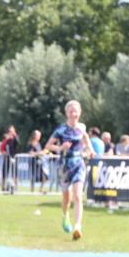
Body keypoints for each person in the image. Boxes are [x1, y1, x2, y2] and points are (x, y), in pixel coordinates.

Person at [45, 100, 92, 240]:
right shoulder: (60, 130)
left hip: (78, 164)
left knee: (78, 195)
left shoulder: (82, 128)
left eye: (75, 111)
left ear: (79, 113)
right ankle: (65, 216)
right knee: (67, 197)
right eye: (71, 111)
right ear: (67, 113)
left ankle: (78, 226)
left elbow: (86, 138)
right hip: (64, 165)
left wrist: (90, 150)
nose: (73, 114)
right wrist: (60, 148)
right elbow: (48, 146)